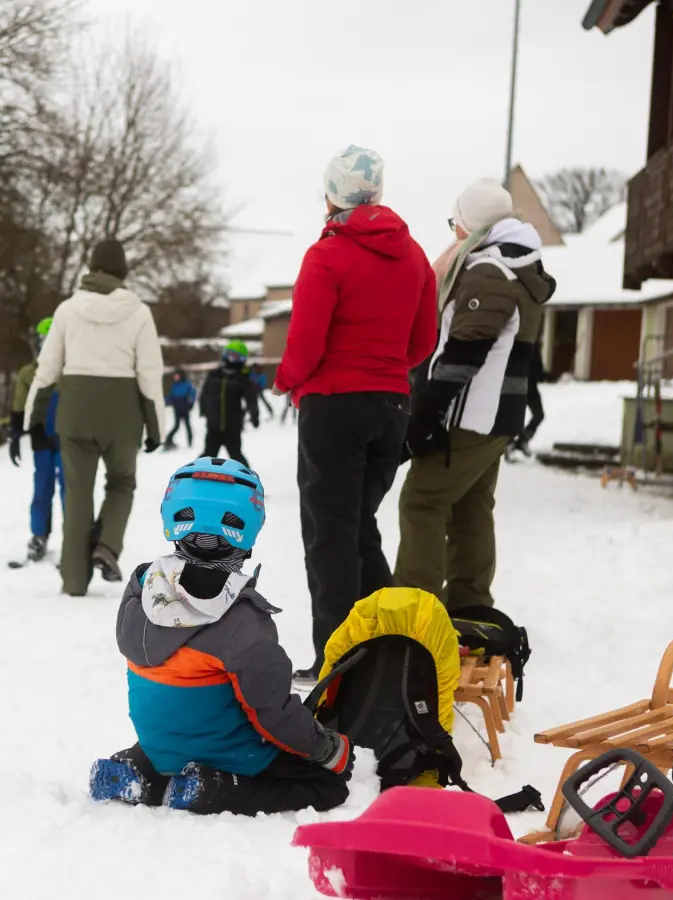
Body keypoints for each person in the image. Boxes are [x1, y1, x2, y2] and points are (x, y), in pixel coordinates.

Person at [88, 457, 354, 816]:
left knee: (175, 725)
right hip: (227, 752)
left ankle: (139, 772)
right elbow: (271, 713)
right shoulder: (244, 619)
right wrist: (328, 748)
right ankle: (213, 789)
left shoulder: (142, 588)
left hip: (160, 745)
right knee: (328, 786)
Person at [272, 146, 438, 681]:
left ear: (332, 195)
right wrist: (385, 370)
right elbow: (423, 340)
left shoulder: (327, 255)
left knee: (329, 535)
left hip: (333, 408)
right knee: (359, 528)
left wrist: (288, 380)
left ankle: (337, 660)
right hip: (390, 407)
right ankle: (388, 646)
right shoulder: (414, 256)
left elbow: (306, 340)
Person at [395, 178, 556, 611]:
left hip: (471, 415)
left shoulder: (490, 269)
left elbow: (467, 349)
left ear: (473, 225)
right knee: (470, 507)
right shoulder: (516, 264)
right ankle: (469, 605)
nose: (454, 233)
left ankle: (415, 611)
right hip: (496, 413)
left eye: (456, 223)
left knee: (421, 502)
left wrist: (427, 412)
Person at [27, 239, 165, 595]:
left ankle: (74, 582)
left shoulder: (67, 310)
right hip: (122, 413)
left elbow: (47, 369)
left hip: (75, 412)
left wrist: (33, 418)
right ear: (123, 272)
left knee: (77, 495)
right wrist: (156, 427)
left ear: (90, 269)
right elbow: (150, 373)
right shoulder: (138, 312)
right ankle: (107, 544)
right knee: (121, 483)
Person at [9, 317, 64, 563]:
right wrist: (14, 435)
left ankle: (77, 540)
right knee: (42, 489)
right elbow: (20, 407)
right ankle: (38, 535)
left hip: (69, 440)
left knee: (71, 491)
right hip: (42, 439)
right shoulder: (29, 373)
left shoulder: (73, 370)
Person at [199, 341, 260, 465]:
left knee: (236, 454)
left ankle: (246, 477)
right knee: (208, 455)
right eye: (229, 354)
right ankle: (197, 474)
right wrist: (203, 409)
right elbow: (205, 393)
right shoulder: (214, 375)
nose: (231, 359)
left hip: (232, 425)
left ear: (242, 359)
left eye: (235, 356)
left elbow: (251, 399)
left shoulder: (242, 378)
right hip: (213, 425)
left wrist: (254, 415)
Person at [507, 350, 547, 459]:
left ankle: (523, 440)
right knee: (515, 417)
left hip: (531, 387)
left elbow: (538, 365)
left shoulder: (535, 344)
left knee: (539, 415)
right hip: (517, 386)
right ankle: (508, 444)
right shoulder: (517, 340)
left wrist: (542, 375)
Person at [163, 369, 196, 450]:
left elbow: (192, 393)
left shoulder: (186, 384)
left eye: (177, 375)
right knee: (176, 426)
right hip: (177, 408)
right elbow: (171, 397)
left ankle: (190, 443)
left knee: (187, 425)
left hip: (185, 407)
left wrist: (191, 402)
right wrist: (165, 402)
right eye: (175, 376)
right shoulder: (174, 385)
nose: (175, 377)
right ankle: (168, 440)